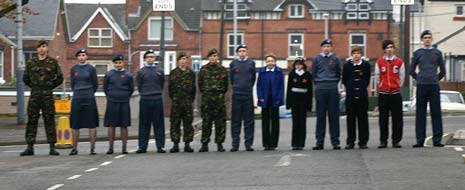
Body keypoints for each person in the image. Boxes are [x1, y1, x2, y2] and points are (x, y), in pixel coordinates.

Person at [20, 40, 63, 156]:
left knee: (49, 120)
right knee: (32, 121)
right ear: (37, 49)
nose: (41, 49)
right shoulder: (31, 63)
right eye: (39, 47)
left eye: (43, 46)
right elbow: (25, 78)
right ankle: (30, 146)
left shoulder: (53, 63)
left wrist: (49, 86)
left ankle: (52, 146)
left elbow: (60, 78)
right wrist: (35, 86)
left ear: (47, 48)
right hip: (34, 96)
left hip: (47, 96)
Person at [410, 30, 446, 148]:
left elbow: (443, 70)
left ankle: (437, 140)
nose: (427, 39)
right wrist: (419, 78)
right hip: (422, 86)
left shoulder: (437, 53)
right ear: (422, 40)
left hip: (434, 86)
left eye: (429, 37)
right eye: (425, 37)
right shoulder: (417, 53)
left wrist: (436, 78)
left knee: (436, 113)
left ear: (432, 39)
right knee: (420, 113)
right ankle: (420, 140)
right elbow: (411, 70)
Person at [312, 38, 341, 150]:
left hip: (332, 87)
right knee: (320, 116)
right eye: (324, 46)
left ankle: (335, 142)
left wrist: (333, 82)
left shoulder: (336, 59)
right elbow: (313, 73)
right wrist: (319, 83)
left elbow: (339, 73)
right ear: (322, 47)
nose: (326, 48)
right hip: (320, 88)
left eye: (328, 46)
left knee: (334, 116)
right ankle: (319, 142)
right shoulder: (316, 59)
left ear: (331, 47)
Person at [69, 49, 99, 155]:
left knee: (92, 123)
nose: (82, 57)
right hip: (77, 98)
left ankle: (92, 148)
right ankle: (74, 148)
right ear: (77, 57)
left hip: (89, 97)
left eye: (83, 55)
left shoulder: (91, 69)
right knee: (75, 124)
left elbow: (95, 84)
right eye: (80, 55)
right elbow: (73, 84)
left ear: (86, 57)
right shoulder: (74, 69)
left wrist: (89, 92)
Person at [375, 40, 405, 149]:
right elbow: (378, 77)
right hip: (383, 94)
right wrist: (383, 85)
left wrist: (396, 86)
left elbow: (402, 77)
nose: (389, 49)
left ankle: (396, 140)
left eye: (391, 47)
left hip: (395, 93)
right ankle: (383, 140)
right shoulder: (379, 62)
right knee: (383, 118)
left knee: (397, 118)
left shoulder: (399, 62)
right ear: (384, 49)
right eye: (387, 47)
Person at [136, 50, 166, 153]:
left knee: (159, 123)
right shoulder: (141, 72)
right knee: (144, 124)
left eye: (152, 57)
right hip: (145, 99)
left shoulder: (160, 71)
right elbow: (139, 86)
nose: (150, 58)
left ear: (154, 58)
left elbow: (161, 84)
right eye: (148, 57)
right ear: (145, 59)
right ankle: (142, 147)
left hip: (157, 99)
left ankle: (160, 146)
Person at [198, 48, 228, 152]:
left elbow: (225, 86)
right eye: (211, 56)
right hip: (207, 100)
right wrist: (207, 93)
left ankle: (219, 143)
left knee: (220, 123)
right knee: (206, 123)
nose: (213, 58)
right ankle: (204, 144)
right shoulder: (203, 70)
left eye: (215, 56)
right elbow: (200, 85)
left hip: (219, 100)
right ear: (208, 57)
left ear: (217, 57)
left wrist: (219, 94)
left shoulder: (222, 70)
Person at [103, 54, 134, 154]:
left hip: (124, 102)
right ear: (114, 64)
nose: (118, 64)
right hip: (112, 102)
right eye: (116, 63)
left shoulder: (128, 75)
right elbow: (105, 88)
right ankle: (110, 148)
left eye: (120, 62)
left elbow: (131, 89)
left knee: (124, 125)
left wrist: (124, 96)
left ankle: (124, 148)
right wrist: (111, 96)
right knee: (111, 126)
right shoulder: (109, 74)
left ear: (123, 63)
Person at [342, 46, 371, 149]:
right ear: (351, 55)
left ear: (361, 55)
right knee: (350, 120)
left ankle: (363, 142)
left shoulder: (366, 65)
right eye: (354, 53)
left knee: (363, 119)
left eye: (358, 53)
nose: (356, 55)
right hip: (350, 96)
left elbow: (367, 80)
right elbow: (344, 80)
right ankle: (350, 141)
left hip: (362, 96)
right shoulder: (347, 66)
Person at [229, 44, 256, 152]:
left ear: (247, 52)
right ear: (237, 53)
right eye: (240, 51)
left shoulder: (251, 63)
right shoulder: (233, 64)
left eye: (244, 50)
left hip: (248, 95)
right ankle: (235, 144)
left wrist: (248, 88)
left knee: (249, 121)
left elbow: (253, 78)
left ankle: (248, 144)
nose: (242, 52)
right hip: (237, 95)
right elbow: (231, 79)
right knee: (236, 121)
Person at [168, 52, 196, 153]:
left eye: (184, 59)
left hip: (187, 102)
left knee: (188, 123)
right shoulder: (173, 73)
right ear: (178, 61)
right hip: (176, 103)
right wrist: (175, 98)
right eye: (181, 59)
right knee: (175, 123)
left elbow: (193, 89)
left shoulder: (191, 73)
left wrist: (190, 100)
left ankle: (187, 144)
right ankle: (175, 144)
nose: (183, 61)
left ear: (186, 60)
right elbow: (170, 89)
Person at [257, 54, 284, 151]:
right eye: (268, 61)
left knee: (275, 122)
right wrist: (260, 97)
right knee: (265, 122)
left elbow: (281, 86)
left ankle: (273, 144)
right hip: (264, 100)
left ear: (275, 62)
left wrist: (279, 98)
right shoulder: (262, 71)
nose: (270, 63)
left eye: (272, 61)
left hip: (275, 100)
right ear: (266, 62)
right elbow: (259, 85)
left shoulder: (279, 71)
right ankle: (266, 144)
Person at [286, 57, 312, 150]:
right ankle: (294, 143)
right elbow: (289, 89)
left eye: (300, 64)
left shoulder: (307, 74)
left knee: (302, 123)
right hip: (294, 101)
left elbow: (310, 90)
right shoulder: (292, 74)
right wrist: (288, 103)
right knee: (295, 123)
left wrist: (309, 105)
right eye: (297, 64)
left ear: (303, 65)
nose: (298, 66)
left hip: (303, 101)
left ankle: (301, 143)